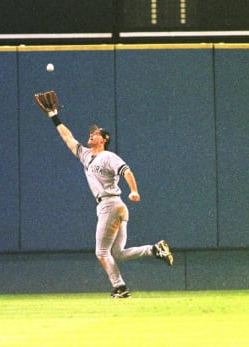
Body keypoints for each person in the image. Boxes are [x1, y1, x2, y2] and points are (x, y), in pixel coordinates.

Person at [35, 91, 173, 298]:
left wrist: (134, 190)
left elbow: (126, 170)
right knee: (117, 253)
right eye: (91, 133)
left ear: (104, 139)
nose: (92, 134)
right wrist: (54, 116)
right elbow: (67, 138)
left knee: (101, 252)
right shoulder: (85, 155)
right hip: (111, 207)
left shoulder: (108, 156)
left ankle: (120, 287)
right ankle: (154, 249)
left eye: (97, 133)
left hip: (111, 204)